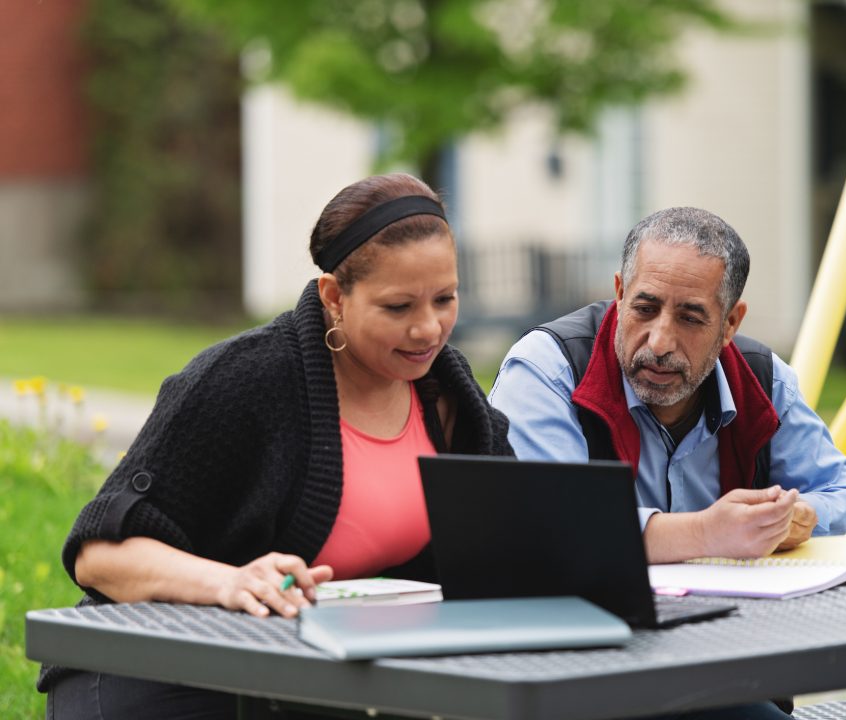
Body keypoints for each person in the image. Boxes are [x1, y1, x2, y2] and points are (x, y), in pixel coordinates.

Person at [40, 173, 513, 719]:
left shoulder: (450, 397)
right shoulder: (244, 381)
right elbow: (99, 557)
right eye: (398, 307)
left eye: (445, 299)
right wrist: (232, 581)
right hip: (156, 672)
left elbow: (502, 545)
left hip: (311, 675)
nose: (429, 329)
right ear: (335, 296)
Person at [489, 206, 846, 562]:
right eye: (645, 309)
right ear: (619, 295)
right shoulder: (548, 368)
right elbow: (546, 524)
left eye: (689, 318)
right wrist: (707, 533)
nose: (659, 343)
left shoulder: (764, 379)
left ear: (731, 324)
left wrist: (798, 516)